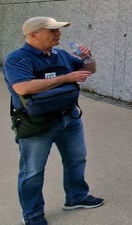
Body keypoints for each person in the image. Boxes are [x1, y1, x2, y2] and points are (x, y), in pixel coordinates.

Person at [3, 17, 104, 225]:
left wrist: (87, 58)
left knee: (76, 160)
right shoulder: (17, 59)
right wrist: (65, 78)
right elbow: (22, 87)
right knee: (32, 171)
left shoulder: (61, 54)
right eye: (52, 31)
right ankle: (32, 215)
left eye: (58, 30)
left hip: (69, 119)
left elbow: (89, 70)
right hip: (36, 124)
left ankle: (76, 197)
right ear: (33, 35)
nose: (58, 34)